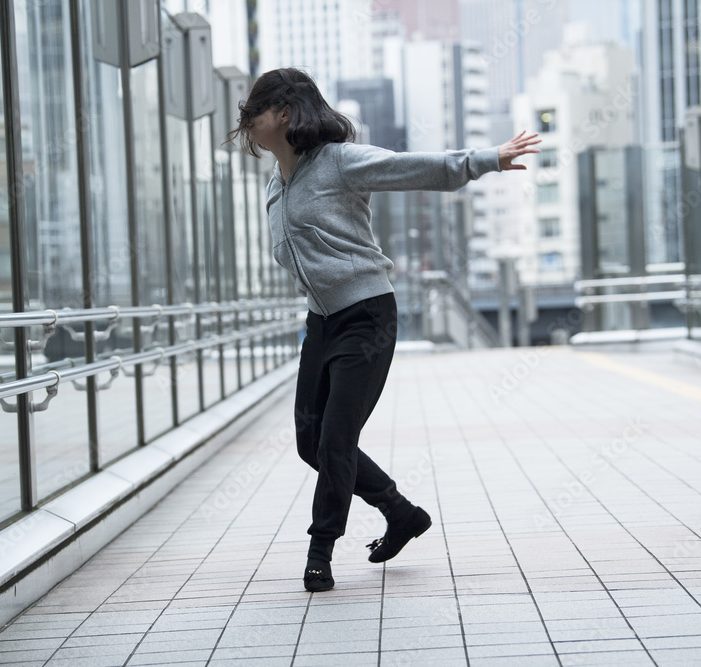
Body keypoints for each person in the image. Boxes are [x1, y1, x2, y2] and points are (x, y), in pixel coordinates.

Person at [228, 68, 540, 592]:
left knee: (335, 439)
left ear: (283, 113)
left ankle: (319, 550)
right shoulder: (273, 190)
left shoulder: (339, 163)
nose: (245, 123)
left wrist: (487, 159)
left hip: (367, 315)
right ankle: (400, 512)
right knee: (310, 440)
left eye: (251, 112)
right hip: (320, 323)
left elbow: (412, 168)